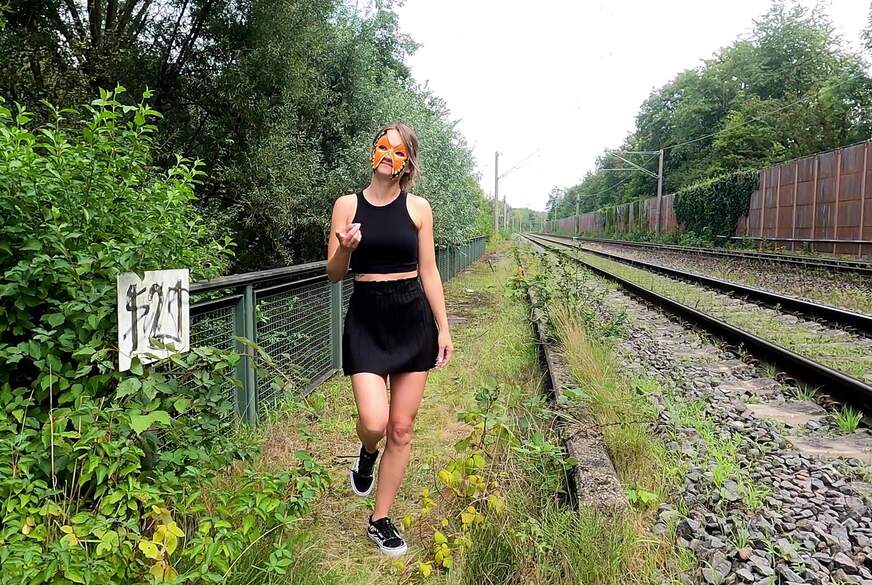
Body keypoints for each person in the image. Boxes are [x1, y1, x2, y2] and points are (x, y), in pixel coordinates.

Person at [326, 122, 454, 556]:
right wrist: (346, 247)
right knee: (375, 422)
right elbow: (334, 273)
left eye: (398, 151)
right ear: (372, 152)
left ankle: (379, 519)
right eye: (383, 147)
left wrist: (443, 327)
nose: (388, 155)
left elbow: (429, 271)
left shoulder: (419, 208)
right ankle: (367, 451)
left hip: (411, 317)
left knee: (400, 428)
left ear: (407, 163)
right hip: (367, 317)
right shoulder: (347, 205)